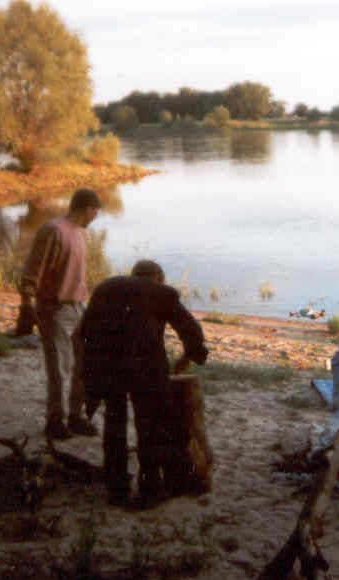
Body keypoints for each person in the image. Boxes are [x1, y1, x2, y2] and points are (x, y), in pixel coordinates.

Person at [76, 260, 209, 507]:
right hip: (145, 365)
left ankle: (117, 488)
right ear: (157, 277)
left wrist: (87, 377)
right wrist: (190, 355)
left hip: (107, 364)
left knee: (114, 424)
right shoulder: (162, 293)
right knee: (149, 426)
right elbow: (191, 329)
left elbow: (82, 332)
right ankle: (150, 488)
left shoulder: (106, 287)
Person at [19, 188, 101, 441]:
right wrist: (26, 305)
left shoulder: (79, 233)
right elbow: (32, 270)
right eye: (95, 212)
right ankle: (55, 421)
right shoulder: (53, 230)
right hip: (54, 308)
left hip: (78, 307)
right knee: (60, 369)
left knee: (81, 365)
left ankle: (75, 417)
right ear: (86, 208)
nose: (95, 218)